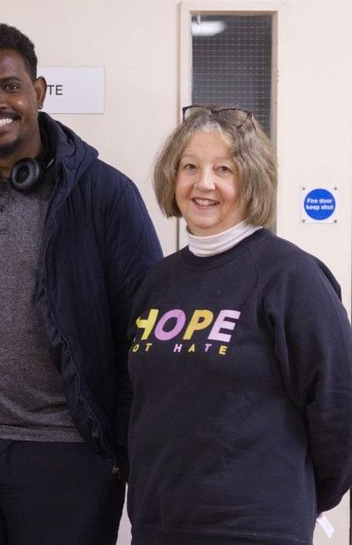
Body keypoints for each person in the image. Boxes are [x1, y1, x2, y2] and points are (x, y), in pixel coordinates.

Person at [0, 23, 163, 544]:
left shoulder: (105, 194)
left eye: (10, 86)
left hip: (71, 456)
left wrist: (127, 452)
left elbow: (145, 331)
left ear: (38, 92)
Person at [127, 105, 352, 544]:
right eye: (190, 166)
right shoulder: (157, 282)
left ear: (251, 179)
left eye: (223, 169)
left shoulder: (292, 277)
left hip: (256, 529)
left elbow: (338, 410)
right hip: (159, 526)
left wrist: (298, 499)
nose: (203, 183)